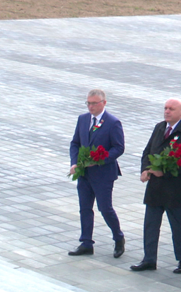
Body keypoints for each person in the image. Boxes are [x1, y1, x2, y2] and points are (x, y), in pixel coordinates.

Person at [131, 99, 181, 274]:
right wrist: (146, 169)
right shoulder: (160, 127)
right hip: (155, 186)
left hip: (175, 188)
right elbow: (147, 151)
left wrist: (165, 172)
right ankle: (149, 259)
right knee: (151, 224)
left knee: (178, 223)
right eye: (165, 108)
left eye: (171, 109)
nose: (167, 111)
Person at [68, 89, 126, 258]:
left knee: (105, 208)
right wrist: (74, 162)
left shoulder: (112, 122)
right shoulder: (83, 119)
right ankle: (86, 242)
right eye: (88, 103)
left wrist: (101, 159)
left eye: (94, 103)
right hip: (85, 173)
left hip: (103, 174)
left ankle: (118, 237)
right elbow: (75, 143)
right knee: (85, 208)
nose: (91, 107)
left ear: (104, 103)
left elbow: (119, 147)